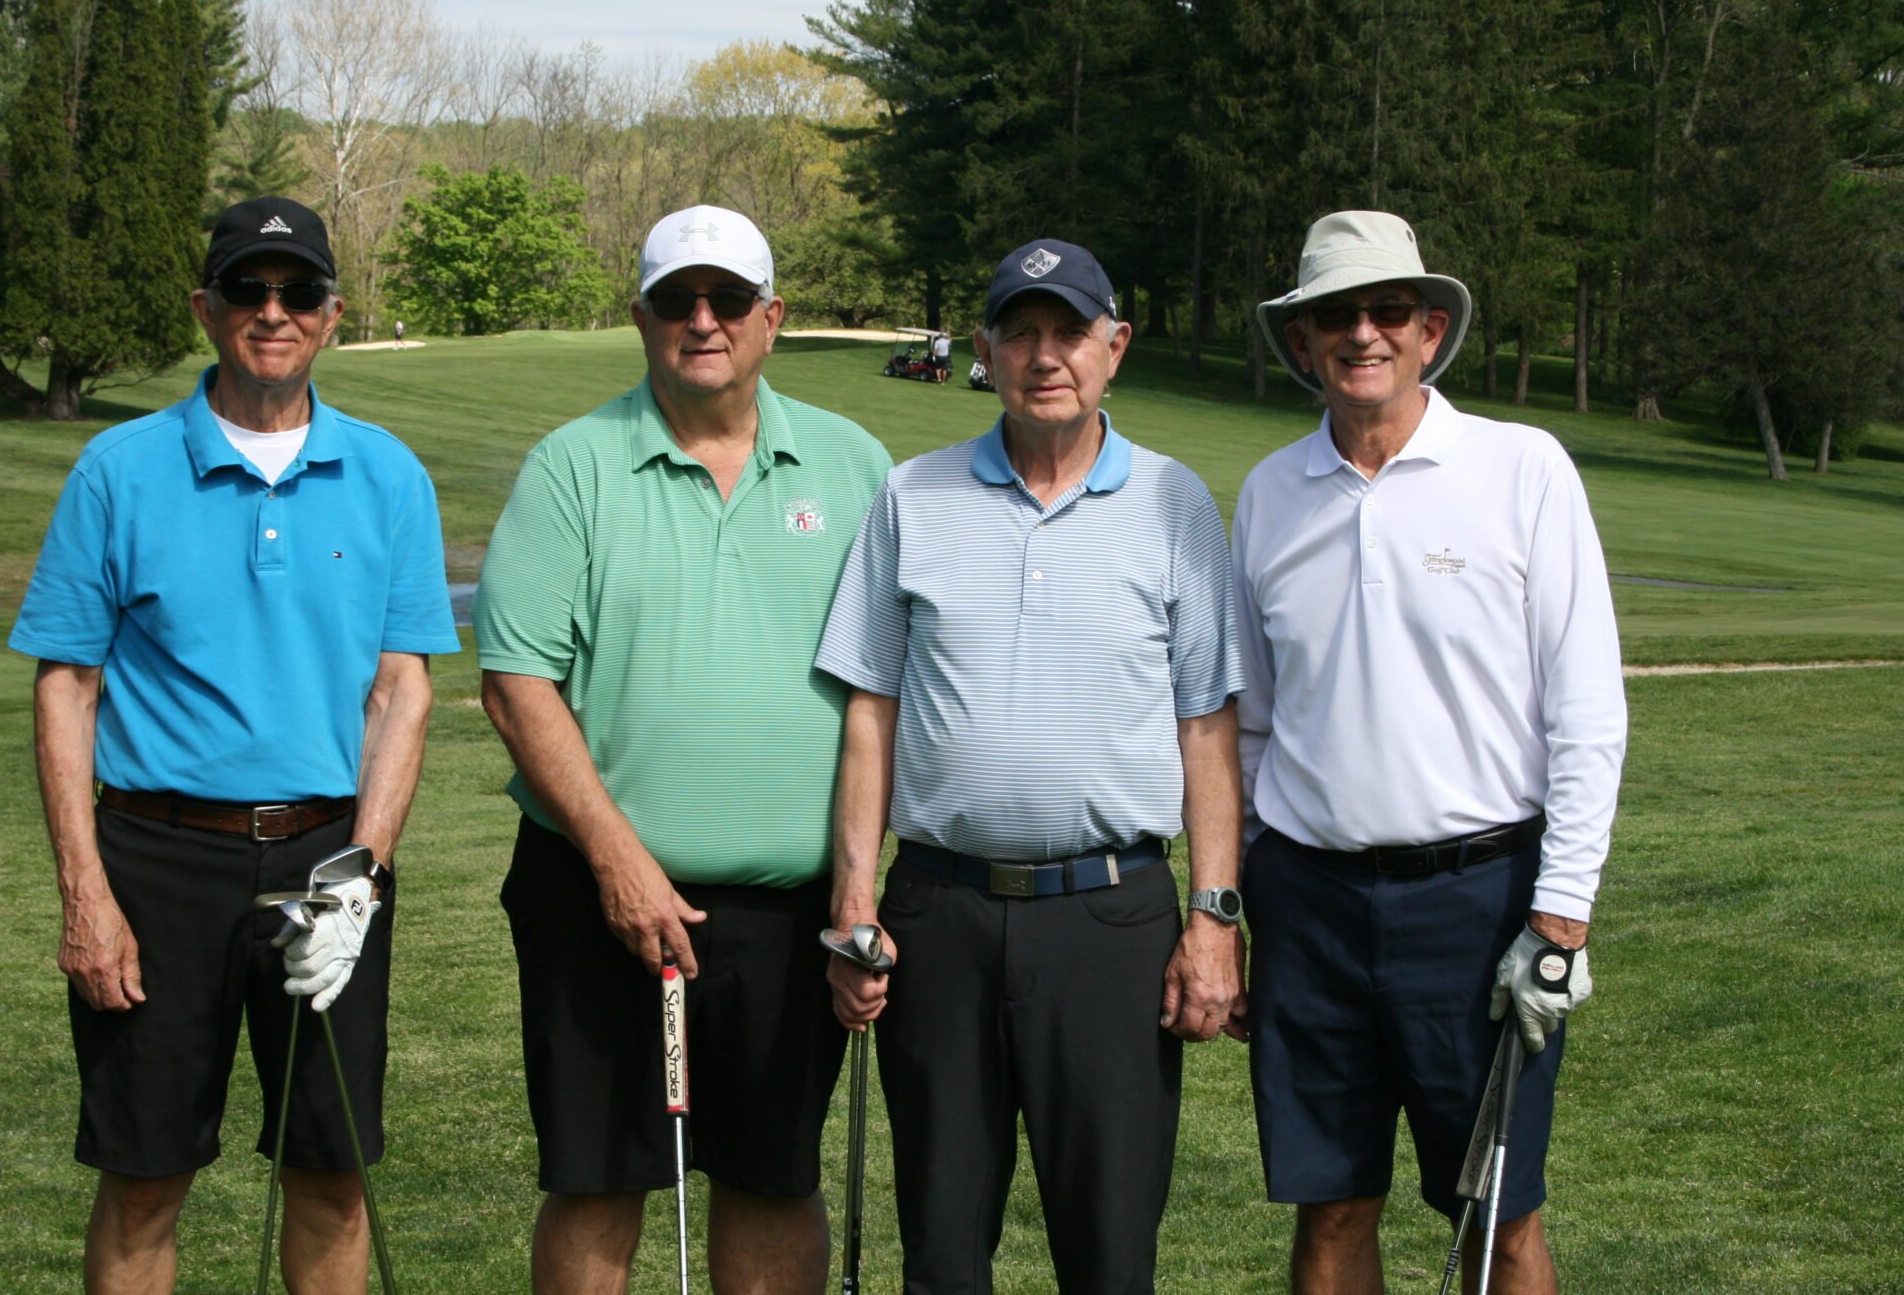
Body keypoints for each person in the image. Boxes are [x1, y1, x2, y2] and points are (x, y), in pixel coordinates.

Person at [10, 195, 459, 1293]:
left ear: (332, 314)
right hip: (155, 864)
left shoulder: (390, 474)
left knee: (329, 1173)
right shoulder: (119, 468)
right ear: (206, 307)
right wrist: (86, 893)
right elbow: (67, 688)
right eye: (248, 290)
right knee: (144, 1175)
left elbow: (403, 692)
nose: (273, 312)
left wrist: (363, 877)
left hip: (326, 861)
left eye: (297, 291)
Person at [474, 204, 892, 1295]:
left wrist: (855, 891)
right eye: (675, 300)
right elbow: (517, 685)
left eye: (726, 300)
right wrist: (617, 861)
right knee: (598, 1183)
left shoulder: (851, 466)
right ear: (641, 318)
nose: (701, 320)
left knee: (770, 1180)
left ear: (771, 319)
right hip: (593, 893)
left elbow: (880, 692)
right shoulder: (573, 465)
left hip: (786, 908)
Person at [819, 238, 1246, 1294]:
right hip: (937, 917)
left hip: (1111, 920)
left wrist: (1212, 917)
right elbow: (868, 709)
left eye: (1068, 332)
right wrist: (854, 903)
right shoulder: (910, 497)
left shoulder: (1174, 502)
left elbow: (1207, 727)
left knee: (1107, 1253)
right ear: (984, 350)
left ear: (1114, 347)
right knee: (942, 1250)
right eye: (1019, 331)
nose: (1043, 354)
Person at [1233, 210, 1628, 1294]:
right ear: (1303, 339)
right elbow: (1253, 726)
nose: (1361, 333)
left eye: (1385, 310)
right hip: (1308, 907)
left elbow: (1585, 712)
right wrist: (1242, 896)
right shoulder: (1267, 493)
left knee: (1497, 1219)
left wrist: (1557, 916)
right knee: (1328, 1215)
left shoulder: (1520, 468)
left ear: (1427, 329)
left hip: (1478, 903)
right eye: (1333, 315)